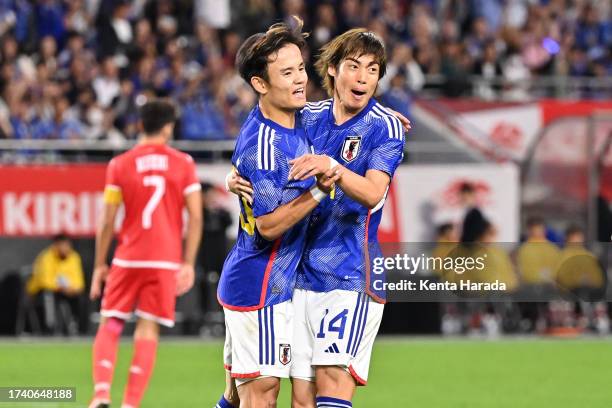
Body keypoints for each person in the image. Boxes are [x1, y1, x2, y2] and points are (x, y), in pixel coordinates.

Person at [233, 28, 406, 407]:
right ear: (331, 70)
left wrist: (334, 168)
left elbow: (375, 192)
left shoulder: (385, 126)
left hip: (350, 272)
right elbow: (263, 125)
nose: (362, 78)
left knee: (332, 382)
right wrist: (239, 174)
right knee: (301, 399)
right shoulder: (307, 116)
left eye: (373, 70)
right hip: (299, 276)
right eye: (353, 66)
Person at [215, 17, 342, 408]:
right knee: (263, 394)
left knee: (238, 395)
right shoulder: (265, 147)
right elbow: (268, 226)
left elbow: (344, 108)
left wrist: (386, 122)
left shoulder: (297, 116)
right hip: (262, 284)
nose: (300, 79)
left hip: (271, 282)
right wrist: (319, 193)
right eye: (286, 73)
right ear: (260, 84)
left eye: (300, 68)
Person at [88, 99, 202, 408]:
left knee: (111, 322)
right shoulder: (183, 163)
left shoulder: (120, 164)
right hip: (164, 261)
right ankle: (130, 403)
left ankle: (100, 392)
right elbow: (195, 215)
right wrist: (188, 263)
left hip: (128, 257)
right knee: (148, 329)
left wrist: (100, 264)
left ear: (140, 125)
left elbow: (107, 219)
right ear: (168, 127)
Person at [26, 233, 85, 335]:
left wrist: (72, 289)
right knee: (49, 295)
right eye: (63, 245)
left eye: (68, 245)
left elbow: (79, 282)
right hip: (41, 292)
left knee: (80, 297)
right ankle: (50, 327)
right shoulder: (46, 257)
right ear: (56, 245)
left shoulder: (74, 257)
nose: (66, 248)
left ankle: (75, 326)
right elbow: (46, 282)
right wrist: (61, 288)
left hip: (66, 292)